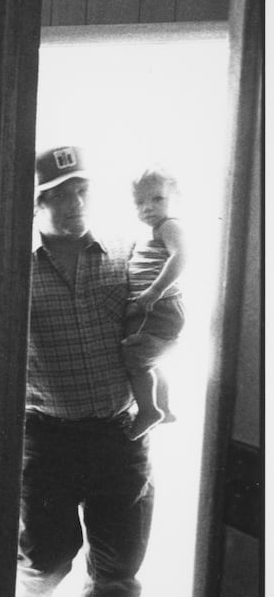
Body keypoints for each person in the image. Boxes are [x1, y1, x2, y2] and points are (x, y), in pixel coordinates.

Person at [16, 146, 155, 597]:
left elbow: (155, 327)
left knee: (118, 564)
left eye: (81, 190)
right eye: (59, 193)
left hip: (121, 436)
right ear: (38, 202)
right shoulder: (15, 266)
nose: (74, 202)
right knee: (45, 556)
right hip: (46, 436)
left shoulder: (125, 255)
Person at [122, 166, 187, 440]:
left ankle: (149, 410)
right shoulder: (149, 232)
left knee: (133, 355)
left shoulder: (169, 225)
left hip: (159, 306)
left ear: (175, 197)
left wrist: (153, 292)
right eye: (140, 202)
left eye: (157, 199)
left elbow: (180, 257)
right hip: (156, 306)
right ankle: (164, 407)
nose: (148, 207)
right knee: (150, 361)